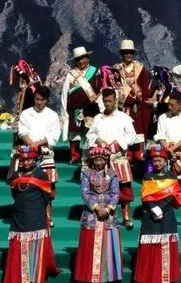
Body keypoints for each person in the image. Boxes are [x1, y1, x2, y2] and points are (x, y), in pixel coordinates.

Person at [3, 145, 59, 283]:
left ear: (34, 160)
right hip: (19, 218)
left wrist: (36, 210)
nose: (26, 162)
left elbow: (47, 197)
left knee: (36, 249)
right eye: (23, 160)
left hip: (36, 218)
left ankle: (35, 278)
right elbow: (14, 194)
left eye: (29, 160)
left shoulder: (41, 174)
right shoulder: (16, 175)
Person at [86, 87, 139, 229]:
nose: (107, 104)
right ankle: (106, 214)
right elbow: (90, 135)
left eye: (110, 101)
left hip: (118, 157)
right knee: (104, 188)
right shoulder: (98, 118)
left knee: (124, 187)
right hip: (102, 161)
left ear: (115, 100)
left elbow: (132, 136)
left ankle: (126, 216)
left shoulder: (124, 117)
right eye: (105, 101)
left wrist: (118, 144)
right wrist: (97, 140)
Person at [134, 145, 181, 283]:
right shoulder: (148, 176)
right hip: (151, 216)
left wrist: (161, 209)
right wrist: (153, 208)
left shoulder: (172, 176)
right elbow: (146, 196)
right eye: (154, 161)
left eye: (160, 161)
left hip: (167, 215)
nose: (157, 163)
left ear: (165, 161)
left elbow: (173, 196)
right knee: (152, 246)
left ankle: (166, 277)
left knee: (165, 245)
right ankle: (150, 277)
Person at [73, 146, 123, 283]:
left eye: (102, 160)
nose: (99, 162)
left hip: (109, 214)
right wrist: (96, 208)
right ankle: (88, 275)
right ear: (92, 160)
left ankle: (108, 276)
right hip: (91, 214)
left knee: (109, 244)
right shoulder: (86, 173)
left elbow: (115, 193)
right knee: (89, 246)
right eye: (96, 160)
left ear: (106, 160)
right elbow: (85, 193)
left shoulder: (112, 173)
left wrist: (107, 209)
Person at [16, 86, 61, 228]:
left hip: (46, 155)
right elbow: (22, 132)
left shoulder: (53, 115)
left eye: (42, 100)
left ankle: (48, 215)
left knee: (48, 188)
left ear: (47, 100)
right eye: (37, 99)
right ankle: (28, 215)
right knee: (27, 186)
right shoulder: (26, 113)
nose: (39, 102)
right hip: (28, 155)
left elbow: (54, 136)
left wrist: (38, 144)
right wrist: (32, 145)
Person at [154, 91, 181, 228]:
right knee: (166, 187)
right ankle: (165, 215)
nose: (169, 107)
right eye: (169, 104)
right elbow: (160, 135)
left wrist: (173, 149)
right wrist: (167, 148)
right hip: (167, 157)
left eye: (172, 105)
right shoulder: (163, 117)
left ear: (180, 105)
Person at [61, 46, 103, 164]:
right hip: (75, 109)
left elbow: (101, 89)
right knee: (74, 133)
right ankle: (75, 156)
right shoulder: (71, 75)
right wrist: (64, 111)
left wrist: (100, 104)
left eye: (83, 58)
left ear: (87, 58)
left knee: (90, 132)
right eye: (78, 59)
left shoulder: (95, 72)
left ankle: (89, 156)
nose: (81, 61)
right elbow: (64, 93)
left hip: (92, 109)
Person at [113, 39, 151, 161]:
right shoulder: (116, 69)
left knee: (138, 130)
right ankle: (126, 155)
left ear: (133, 54)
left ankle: (139, 156)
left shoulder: (141, 68)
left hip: (137, 108)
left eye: (130, 52)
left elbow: (145, 88)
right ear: (121, 54)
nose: (128, 55)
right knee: (124, 131)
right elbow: (115, 88)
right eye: (125, 52)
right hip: (122, 108)